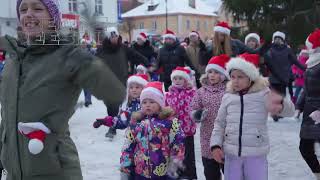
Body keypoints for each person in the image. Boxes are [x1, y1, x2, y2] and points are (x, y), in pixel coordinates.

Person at [0, 0, 125, 180]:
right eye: (23, 9)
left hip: (56, 171)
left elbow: (115, 94)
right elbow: (7, 119)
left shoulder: (67, 55)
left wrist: (99, 53)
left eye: (37, 8)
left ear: (53, 18)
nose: (28, 13)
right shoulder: (14, 59)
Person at [210, 54, 295, 180]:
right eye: (233, 77)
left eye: (240, 77)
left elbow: (290, 112)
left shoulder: (264, 93)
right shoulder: (228, 96)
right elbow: (220, 123)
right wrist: (215, 145)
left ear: (250, 77)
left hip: (256, 154)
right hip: (232, 154)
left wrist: (281, 104)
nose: (235, 81)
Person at [120, 82, 185, 179]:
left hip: (162, 172)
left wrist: (176, 161)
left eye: (152, 102)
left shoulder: (170, 122)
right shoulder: (137, 122)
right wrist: (125, 166)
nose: (148, 105)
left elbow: (178, 142)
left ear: (160, 104)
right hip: (140, 172)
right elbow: (128, 145)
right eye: (144, 102)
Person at [96, 27, 149, 138]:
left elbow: (135, 55)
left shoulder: (123, 48)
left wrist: (147, 63)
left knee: (117, 103)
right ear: (108, 37)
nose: (114, 38)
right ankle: (113, 123)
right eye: (112, 37)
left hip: (121, 80)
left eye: (116, 36)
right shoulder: (101, 50)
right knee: (111, 105)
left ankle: (116, 125)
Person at [191, 54, 230, 180]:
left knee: (229, 171)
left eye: (216, 72)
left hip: (226, 138)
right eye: (210, 72)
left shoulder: (229, 91)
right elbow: (193, 107)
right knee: (211, 173)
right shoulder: (201, 91)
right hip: (207, 137)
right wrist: (197, 114)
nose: (212, 75)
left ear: (223, 75)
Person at [165, 67, 197, 179]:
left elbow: (195, 106)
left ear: (186, 80)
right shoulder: (169, 94)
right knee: (176, 154)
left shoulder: (191, 93)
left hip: (187, 129)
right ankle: (178, 174)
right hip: (174, 130)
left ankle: (191, 175)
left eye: (180, 78)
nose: (177, 81)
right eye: (175, 78)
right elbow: (165, 109)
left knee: (188, 154)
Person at [297, 29, 320, 180]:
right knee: (305, 148)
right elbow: (306, 88)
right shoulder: (313, 61)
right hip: (309, 112)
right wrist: (299, 106)